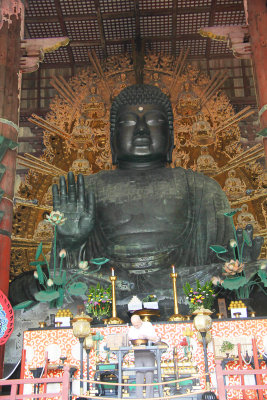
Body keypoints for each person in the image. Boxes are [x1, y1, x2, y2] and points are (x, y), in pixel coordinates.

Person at [52, 84, 248, 275]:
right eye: (128, 123)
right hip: (107, 288)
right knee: (27, 286)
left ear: (171, 136)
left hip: (185, 286)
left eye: (154, 121)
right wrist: (70, 242)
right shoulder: (86, 190)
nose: (141, 130)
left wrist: (240, 266)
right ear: (112, 138)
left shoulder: (202, 188)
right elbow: (62, 271)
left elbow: (224, 264)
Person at [128, 315, 159, 398]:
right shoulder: (131, 329)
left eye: (137, 324)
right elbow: (129, 340)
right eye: (134, 325)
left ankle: (150, 397)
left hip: (148, 352)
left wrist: (146, 336)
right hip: (138, 353)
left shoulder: (148, 325)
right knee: (139, 376)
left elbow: (155, 338)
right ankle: (139, 397)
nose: (136, 326)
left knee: (149, 375)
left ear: (140, 321)